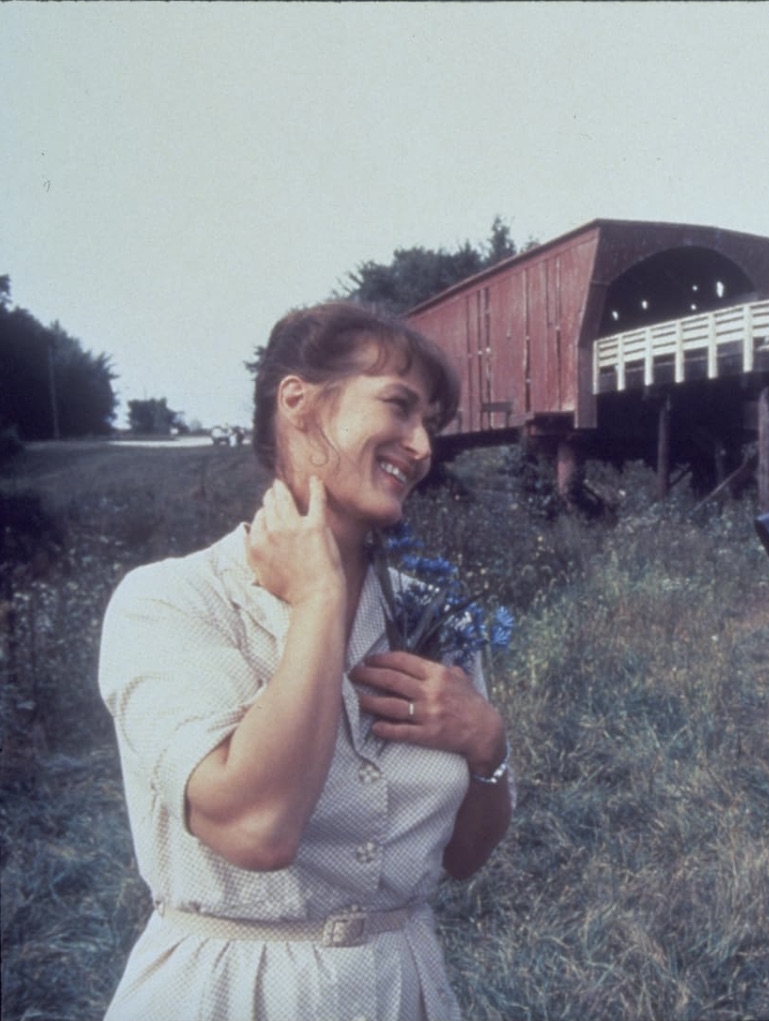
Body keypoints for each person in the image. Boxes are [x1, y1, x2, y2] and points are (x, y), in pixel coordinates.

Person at [99, 302, 513, 1021]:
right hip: (229, 993)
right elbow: (258, 828)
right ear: (298, 401)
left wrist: (489, 748)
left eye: (431, 424)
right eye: (399, 406)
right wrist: (319, 597)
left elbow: (463, 858)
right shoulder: (171, 601)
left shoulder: (432, 615)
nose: (422, 446)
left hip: (401, 991)